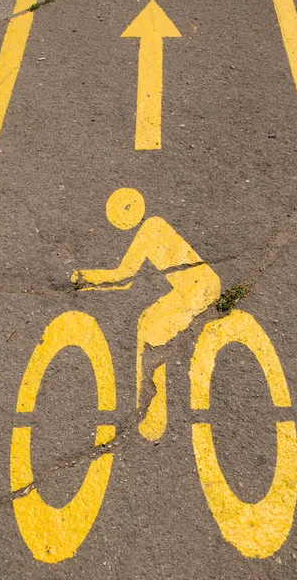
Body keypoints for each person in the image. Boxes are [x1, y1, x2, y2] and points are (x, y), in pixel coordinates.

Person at [71, 188, 221, 440]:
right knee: (152, 324)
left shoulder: (151, 228)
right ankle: (158, 399)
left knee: (148, 325)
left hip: (198, 289)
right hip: (201, 284)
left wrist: (85, 278)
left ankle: (155, 410)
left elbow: (124, 277)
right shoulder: (154, 224)